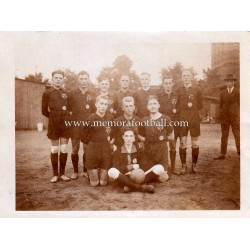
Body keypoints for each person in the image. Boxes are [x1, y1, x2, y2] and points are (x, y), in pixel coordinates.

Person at [42, 70, 70, 183]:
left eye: (60, 77)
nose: (58, 79)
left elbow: (69, 108)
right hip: (54, 123)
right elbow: (43, 111)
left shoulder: (66, 92)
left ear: (63, 79)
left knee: (63, 148)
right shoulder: (47, 92)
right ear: (52, 79)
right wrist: (54, 117)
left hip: (65, 124)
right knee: (54, 149)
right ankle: (55, 174)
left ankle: (62, 174)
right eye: (56, 77)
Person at [108, 127, 155, 193]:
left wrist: (136, 169)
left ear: (134, 138)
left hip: (138, 175)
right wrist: (131, 167)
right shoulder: (118, 152)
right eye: (126, 136)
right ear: (123, 137)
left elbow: (144, 166)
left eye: (131, 136)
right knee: (111, 171)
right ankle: (140, 187)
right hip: (124, 177)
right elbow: (116, 167)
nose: (128, 138)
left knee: (159, 168)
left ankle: (130, 187)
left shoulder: (139, 151)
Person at [139, 95, 173, 182]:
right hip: (149, 150)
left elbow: (172, 136)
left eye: (154, 104)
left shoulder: (166, 119)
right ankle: (145, 178)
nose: (152, 106)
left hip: (161, 150)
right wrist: (146, 140)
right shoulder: (144, 120)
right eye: (150, 104)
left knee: (162, 178)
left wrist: (162, 139)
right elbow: (141, 136)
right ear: (147, 107)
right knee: (146, 172)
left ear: (158, 105)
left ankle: (145, 179)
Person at [81, 95, 114, 187]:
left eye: (105, 104)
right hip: (93, 150)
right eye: (101, 103)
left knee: (103, 183)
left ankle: (101, 171)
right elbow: (84, 140)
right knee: (94, 183)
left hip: (105, 151)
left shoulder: (110, 118)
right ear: (96, 104)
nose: (103, 106)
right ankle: (90, 171)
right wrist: (89, 155)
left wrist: (111, 142)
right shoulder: (89, 119)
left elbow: (113, 134)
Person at [67, 71, 95, 180]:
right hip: (75, 125)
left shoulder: (92, 93)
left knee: (86, 148)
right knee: (75, 148)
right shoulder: (72, 93)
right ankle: (75, 171)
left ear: (88, 80)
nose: (83, 81)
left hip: (87, 125)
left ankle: (84, 170)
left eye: (85, 79)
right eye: (81, 79)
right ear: (78, 80)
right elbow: (68, 109)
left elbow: (94, 110)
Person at [176, 69, 203, 174]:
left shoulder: (197, 89)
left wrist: (192, 113)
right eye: (184, 76)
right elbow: (177, 105)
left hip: (194, 119)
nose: (186, 77)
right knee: (183, 142)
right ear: (182, 78)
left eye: (188, 75)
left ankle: (194, 165)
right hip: (182, 119)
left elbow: (200, 105)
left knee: (195, 143)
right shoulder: (179, 90)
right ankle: (183, 166)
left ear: (192, 77)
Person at [157, 74, 180, 175]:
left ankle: (173, 167)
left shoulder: (176, 95)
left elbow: (179, 109)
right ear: (163, 84)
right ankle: (164, 167)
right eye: (166, 83)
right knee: (162, 146)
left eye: (170, 83)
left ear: (172, 84)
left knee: (173, 146)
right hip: (162, 125)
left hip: (173, 125)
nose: (168, 85)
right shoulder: (159, 96)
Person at [214, 74, 240, 159]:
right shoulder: (222, 93)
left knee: (237, 134)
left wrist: (237, 114)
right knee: (224, 135)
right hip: (225, 117)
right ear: (226, 82)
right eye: (227, 81)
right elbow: (221, 105)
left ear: (233, 82)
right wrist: (221, 115)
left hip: (235, 117)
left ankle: (240, 152)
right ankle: (222, 153)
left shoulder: (238, 92)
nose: (229, 83)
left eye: (231, 81)